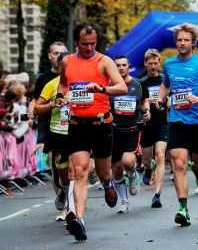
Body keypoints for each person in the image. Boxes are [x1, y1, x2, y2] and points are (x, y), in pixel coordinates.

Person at [57, 22, 127, 241]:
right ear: (76, 42)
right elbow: (63, 84)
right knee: (80, 171)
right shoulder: (67, 61)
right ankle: (80, 219)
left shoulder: (104, 61)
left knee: (104, 171)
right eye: (85, 44)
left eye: (93, 43)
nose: (89, 48)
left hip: (101, 124)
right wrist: (60, 97)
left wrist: (102, 89)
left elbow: (122, 87)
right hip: (77, 124)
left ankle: (108, 184)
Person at [160, 23, 198, 227]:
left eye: (186, 40)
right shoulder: (169, 64)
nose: (182, 43)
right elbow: (166, 84)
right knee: (179, 161)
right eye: (179, 40)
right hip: (177, 120)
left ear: (193, 43)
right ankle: (183, 208)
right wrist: (160, 99)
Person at [34, 51, 76, 224]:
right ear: (59, 67)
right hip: (58, 134)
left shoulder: (80, 84)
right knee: (64, 175)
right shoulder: (51, 85)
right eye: (63, 66)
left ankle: (72, 211)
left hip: (77, 132)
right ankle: (63, 192)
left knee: (76, 171)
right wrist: (52, 104)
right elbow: (37, 108)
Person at [30, 42, 68, 218]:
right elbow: (36, 101)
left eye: (62, 53)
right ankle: (61, 196)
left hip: (72, 126)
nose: (58, 56)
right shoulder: (45, 79)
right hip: (49, 125)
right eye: (55, 53)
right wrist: (32, 114)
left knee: (78, 167)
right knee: (56, 165)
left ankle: (72, 205)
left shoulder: (75, 77)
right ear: (50, 55)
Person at [110, 55, 150, 214]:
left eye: (123, 65)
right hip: (114, 130)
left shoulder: (138, 84)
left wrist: (147, 111)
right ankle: (124, 201)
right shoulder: (109, 86)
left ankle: (133, 173)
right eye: (117, 65)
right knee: (116, 168)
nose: (121, 68)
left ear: (129, 66)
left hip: (132, 129)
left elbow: (144, 101)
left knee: (127, 161)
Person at [139, 48, 169, 208]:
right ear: (145, 64)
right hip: (147, 125)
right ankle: (148, 170)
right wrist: (146, 108)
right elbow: (139, 102)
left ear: (159, 64)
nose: (152, 66)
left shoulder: (165, 81)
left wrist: (164, 104)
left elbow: (170, 100)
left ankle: (157, 194)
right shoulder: (141, 82)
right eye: (149, 63)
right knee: (147, 160)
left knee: (159, 156)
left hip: (163, 123)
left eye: (155, 63)